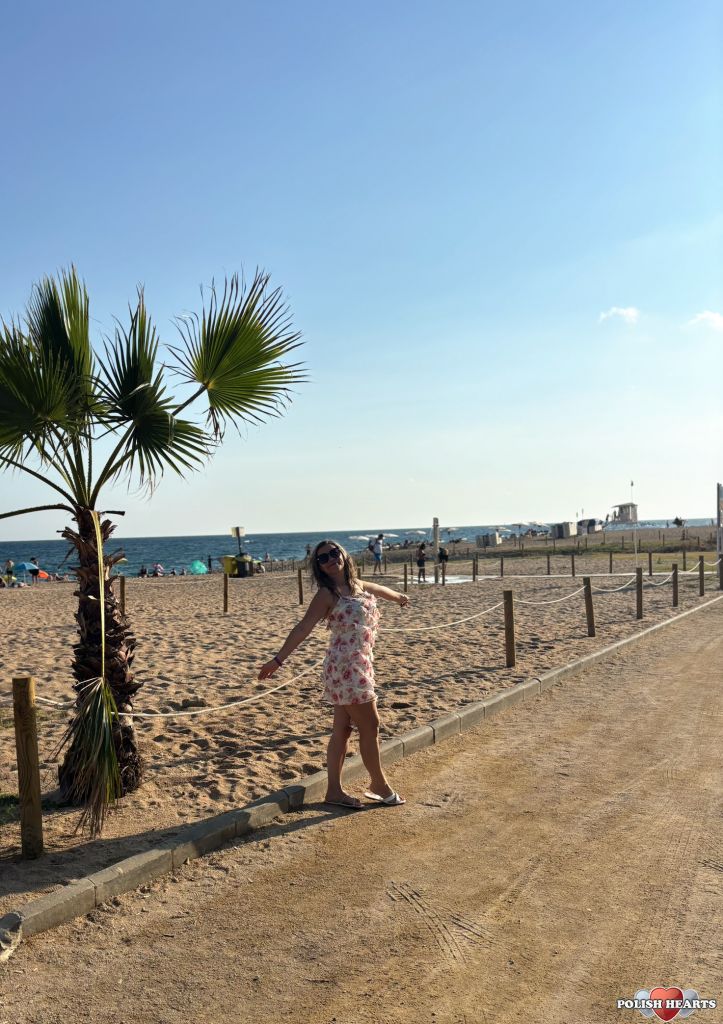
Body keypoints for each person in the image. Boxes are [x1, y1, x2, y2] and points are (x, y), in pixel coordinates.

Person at [258, 539, 410, 809]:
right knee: (371, 725)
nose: (330, 559)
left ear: (343, 554)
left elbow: (381, 590)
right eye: (323, 558)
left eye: (333, 553)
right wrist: (278, 660)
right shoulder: (327, 595)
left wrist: (399, 597)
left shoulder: (358, 585)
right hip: (345, 667)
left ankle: (334, 791)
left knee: (342, 729)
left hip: (361, 663)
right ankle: (378, 784)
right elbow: (303, 628)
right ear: (318, 567)